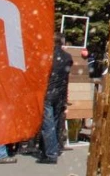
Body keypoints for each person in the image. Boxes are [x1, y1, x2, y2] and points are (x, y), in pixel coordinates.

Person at [38, 32, 73, 164]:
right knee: (55, 122)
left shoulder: (48, 56)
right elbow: (65, 77)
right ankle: (51, 149)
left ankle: (50, 153)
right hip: (60, 93)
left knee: (48, 123)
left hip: (48, 92)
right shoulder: (67, 57)